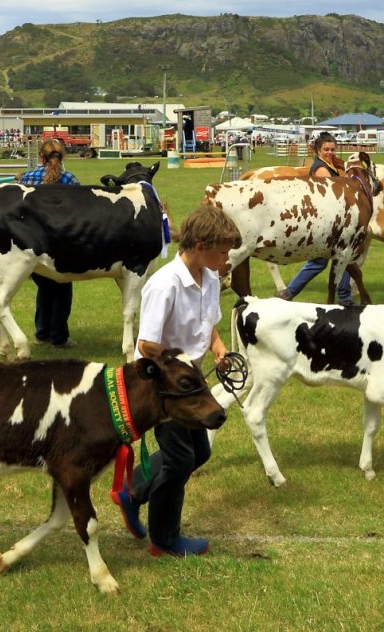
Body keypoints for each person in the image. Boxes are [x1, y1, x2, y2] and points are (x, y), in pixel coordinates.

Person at [115, 206, 241, 557]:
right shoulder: (165, 284)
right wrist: (181, 367)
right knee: (180, 460)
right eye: (222, 251)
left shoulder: (210, 276)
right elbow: (146, 345)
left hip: (191, 383)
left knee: (199, 451)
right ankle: (164, 539)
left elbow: (208, 322)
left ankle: (134, 489)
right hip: (166, 389)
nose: (226, 258)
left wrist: (218, 349)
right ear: (200, 245)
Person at [278, 132, 355, 305]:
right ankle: (343, 297)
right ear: (318, 150)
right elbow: (335, 190)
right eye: (326, 149)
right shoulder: (321, 168)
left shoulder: (329, 165)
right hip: (327, 221)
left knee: (338, 258)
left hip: (331, 219)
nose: (330, 152)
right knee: (326, 260)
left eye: (332, 149)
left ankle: (343, 296)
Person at [20, 137, 79, 348]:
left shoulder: (28, 177)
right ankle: (59, 336)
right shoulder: (70, 180)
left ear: (41, 157)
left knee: (44, 288)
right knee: (62, 290)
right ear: (61, 157)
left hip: (32, 245)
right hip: (61, 246)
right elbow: (80, 213)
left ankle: (42, 333)